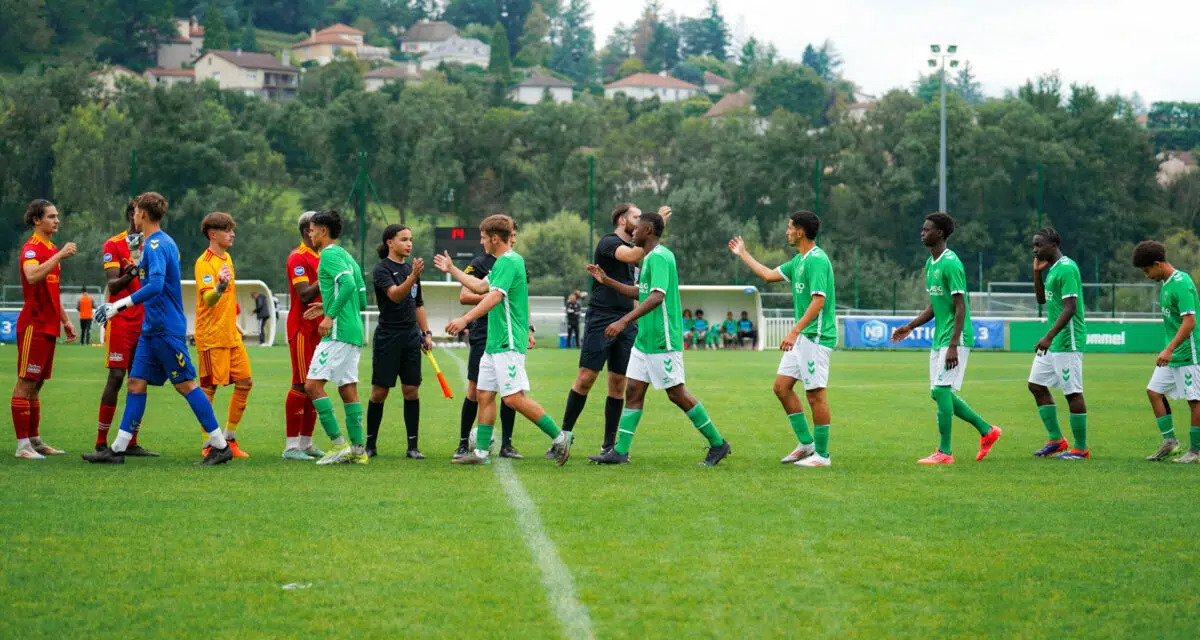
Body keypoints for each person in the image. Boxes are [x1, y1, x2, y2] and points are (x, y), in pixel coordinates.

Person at [85, 192, 233, 465]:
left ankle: (220, 446)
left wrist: (116, 306)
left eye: (136, 211)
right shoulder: (159, 243)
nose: (134, 216)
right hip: (151, 329)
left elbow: (155, 286)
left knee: (186, 385)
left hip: (165, 328)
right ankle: (117, 449)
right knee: (135, 383)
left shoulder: (155, 245)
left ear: (141, 214)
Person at [588, 210, 731, 466]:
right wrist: (606, 280)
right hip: (645, 340)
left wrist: (622, 321)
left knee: (676, 393)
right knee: (633, 390)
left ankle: (718, 444)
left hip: (662, 339)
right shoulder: (647, 260)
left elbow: (656, 297)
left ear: (649, 231)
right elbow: (640, 293)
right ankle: (620, 451)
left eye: (637, 228)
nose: (633, 232)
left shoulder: (662, 257)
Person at [435, 214, 573, 466]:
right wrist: (452, 269)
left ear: (495, 238)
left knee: (512, 398)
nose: (481, 242)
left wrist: (465, 319)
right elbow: (478, 287)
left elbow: (494, 297)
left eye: (483, 237)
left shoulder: (511, 261)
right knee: (484, 394)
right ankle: (481, 454)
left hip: (508, 342)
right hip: (493, 343)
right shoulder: (501, 263)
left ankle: (559, 437)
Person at [557, 204, 672, 457]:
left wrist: (634, 321)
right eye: (636, 217)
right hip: (601, 317)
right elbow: (632, 256)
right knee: (586, 378)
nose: (639, 221)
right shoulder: (608, 243)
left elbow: (637, 289)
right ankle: (563, 437)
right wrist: (656, 225)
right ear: (622, 220)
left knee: (618, 383)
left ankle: (608, 445)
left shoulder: (639, 250)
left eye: (643, 219)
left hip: (626, 320)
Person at [891, 212, 1002, 465]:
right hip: (941, 338)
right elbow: (934, 306)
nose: (922, 233)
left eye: (926, 229)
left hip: (956, 338)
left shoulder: (951, 263)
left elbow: (961, 306)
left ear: (939, 233)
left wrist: (953, 344)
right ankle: (987, 430)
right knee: (937, 393)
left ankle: (945, 452)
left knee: (941, 391)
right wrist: (910, 326)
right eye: (922, 229)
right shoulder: (931, 264)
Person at [729, 210, 837, 467]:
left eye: (789, 228)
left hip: (816, 337)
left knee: (815, 394)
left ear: (800, 232)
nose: (786, 232)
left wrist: (794, 331)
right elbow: (767, 275)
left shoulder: (817, 260)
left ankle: (822, 456)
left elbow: (818, 301)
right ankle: (806, 444)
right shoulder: (798, 261)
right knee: (781, 387)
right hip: (803, 338)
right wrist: (743, 253)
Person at [301, 210, 370, 465]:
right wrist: (327, 305)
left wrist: (329, 315)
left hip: (338, 332)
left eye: (312, 229)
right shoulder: (346, 255)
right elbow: (361, 296)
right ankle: (359, 451)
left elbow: (349, 286)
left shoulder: (329, 254)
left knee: (312, 386)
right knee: (347, 388)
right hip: (353, 331)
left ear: (323, 230)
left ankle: (339, 445)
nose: (309, 233)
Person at [11, 199, 76, 459]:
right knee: (26, 382)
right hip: (33, 324)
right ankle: (22, 446)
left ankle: (35, 440)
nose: (57, 220)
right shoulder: (32, 248)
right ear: (37, 220)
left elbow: (52, 291)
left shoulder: (50, 247)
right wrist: (60, 255)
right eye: (51, 216)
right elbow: (31, 276)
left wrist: (66, 320)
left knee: (37, 384)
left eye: (57, 216)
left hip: (49, 325)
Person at [93, 200, 157, 456]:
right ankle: (100, 441)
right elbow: (113, 285)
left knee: (139, 380)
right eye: (140, 211)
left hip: (145, 321)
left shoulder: (153, 244)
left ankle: (131, 442)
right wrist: (132, 273)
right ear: (132, 214)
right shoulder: (114, 244)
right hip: (121, 320)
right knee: (117, 376)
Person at [368, 224, 433, 459]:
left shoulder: (410, 268)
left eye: (411, 239)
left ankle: (413, 447)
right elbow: (395, 295)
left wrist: (426, 333)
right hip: (388, 337)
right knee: (379, 392)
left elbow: (418, 304)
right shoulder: (381, 270)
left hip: (410, 336)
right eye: (404, 239)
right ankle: (370, 445)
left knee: (411, 391)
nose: (409, 244)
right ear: (390, 243)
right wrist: (413, 276)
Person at [454, 230, 521, 460]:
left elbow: (518, 299)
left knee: (510, 392)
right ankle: (464, 444)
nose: (513, 238)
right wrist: (493, 295)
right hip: (483, 331)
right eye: (510, 234)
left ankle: (508, 444)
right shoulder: (480, 263)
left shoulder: (512, 261)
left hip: (507, 332)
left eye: (515, 233)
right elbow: (466, 295)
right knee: (476, 389)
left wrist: (529, 328)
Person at [1133, 240, 1200, 463]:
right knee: (1154, 391)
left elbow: (1190, 321)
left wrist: (1169, 349)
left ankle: (1196, 451)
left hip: (1189, 353)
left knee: (1195, 400)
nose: (1146, 275)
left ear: (1157, 264)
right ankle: (1170, 442)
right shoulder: (1167, 283)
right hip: (1174, 355)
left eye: (1147, 270)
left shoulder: (1181, 283)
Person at [194, 212, 253, 459]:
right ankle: (210, 444)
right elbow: (209, 299)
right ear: (213, 234)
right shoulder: (204, 263)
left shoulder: (227, 258)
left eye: (232, 229)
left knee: (245, 382)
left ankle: (229, 439)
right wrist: (218, 286)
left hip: (230, 335)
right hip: (211, 337)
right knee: (209, 388)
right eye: (227, 230)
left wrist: (235, 322)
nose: (232, 234)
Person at [1029, 228, 1090, 460]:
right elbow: (1041, 299)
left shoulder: (1066, 268)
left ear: (1053, 245)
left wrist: (1049, 336)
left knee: (1073, 393)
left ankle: (1081, 448)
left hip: (1067, 341)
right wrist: (1036, 274)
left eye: (1039, 245)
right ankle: (1056, 440)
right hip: (1055, 342)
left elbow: (1070, 308)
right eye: (1033, 246)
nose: (1035, 250)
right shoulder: (1053, 270)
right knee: (1036, 385)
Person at [282, 212, 325, 461]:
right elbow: (305, 294)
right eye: (320, 228)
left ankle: (307, 443)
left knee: (315, 384)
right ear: (309, 230)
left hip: (320, 328)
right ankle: (290, 446)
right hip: (302, 329)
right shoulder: (297, 258)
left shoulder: (320, 257)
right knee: (300, 383)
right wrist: (328, 276)